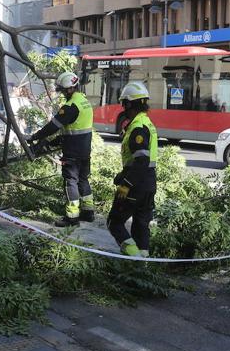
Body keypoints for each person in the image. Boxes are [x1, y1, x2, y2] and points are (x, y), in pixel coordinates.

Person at [27, 72, 95, 227]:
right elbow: (76, 130)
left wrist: (35, 137)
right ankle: (88, 212)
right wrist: (54, 142)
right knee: (83, 180)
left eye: (63, 90)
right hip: (84, 150)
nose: (62, 94)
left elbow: (53, 126)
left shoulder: (71, 107)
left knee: (70, 181)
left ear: (69, 89)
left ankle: (72, 217)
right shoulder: (85, 102)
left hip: (72, 153)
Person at [108, 81, 158, 257]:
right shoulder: (147, 123)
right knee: (140, 225)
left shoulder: (137, 128)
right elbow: (139, 161)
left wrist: (126, 183)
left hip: (136, 186)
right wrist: (122, 174)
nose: (123, 108)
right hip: (149, 184)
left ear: (130, 104)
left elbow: (142, 161)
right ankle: (143, 264)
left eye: (124, 104)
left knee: (114, 223)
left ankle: (133, 258)